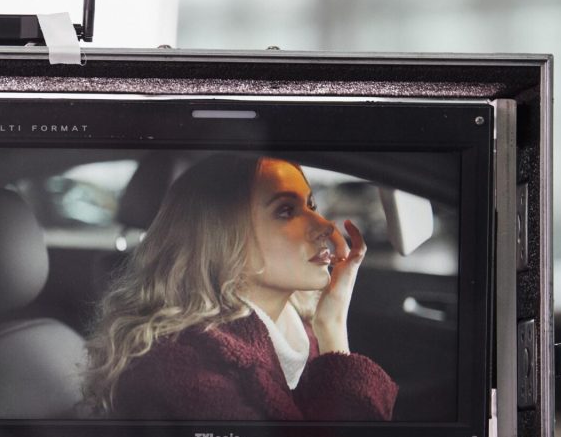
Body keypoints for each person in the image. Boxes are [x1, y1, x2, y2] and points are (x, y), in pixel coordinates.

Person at [83, 155, 398, 420]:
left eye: (311, 205)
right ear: (220, 237)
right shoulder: (181, 368)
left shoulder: (300, 322)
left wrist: (331, 324)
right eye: (286, 211)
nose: (325, 226)